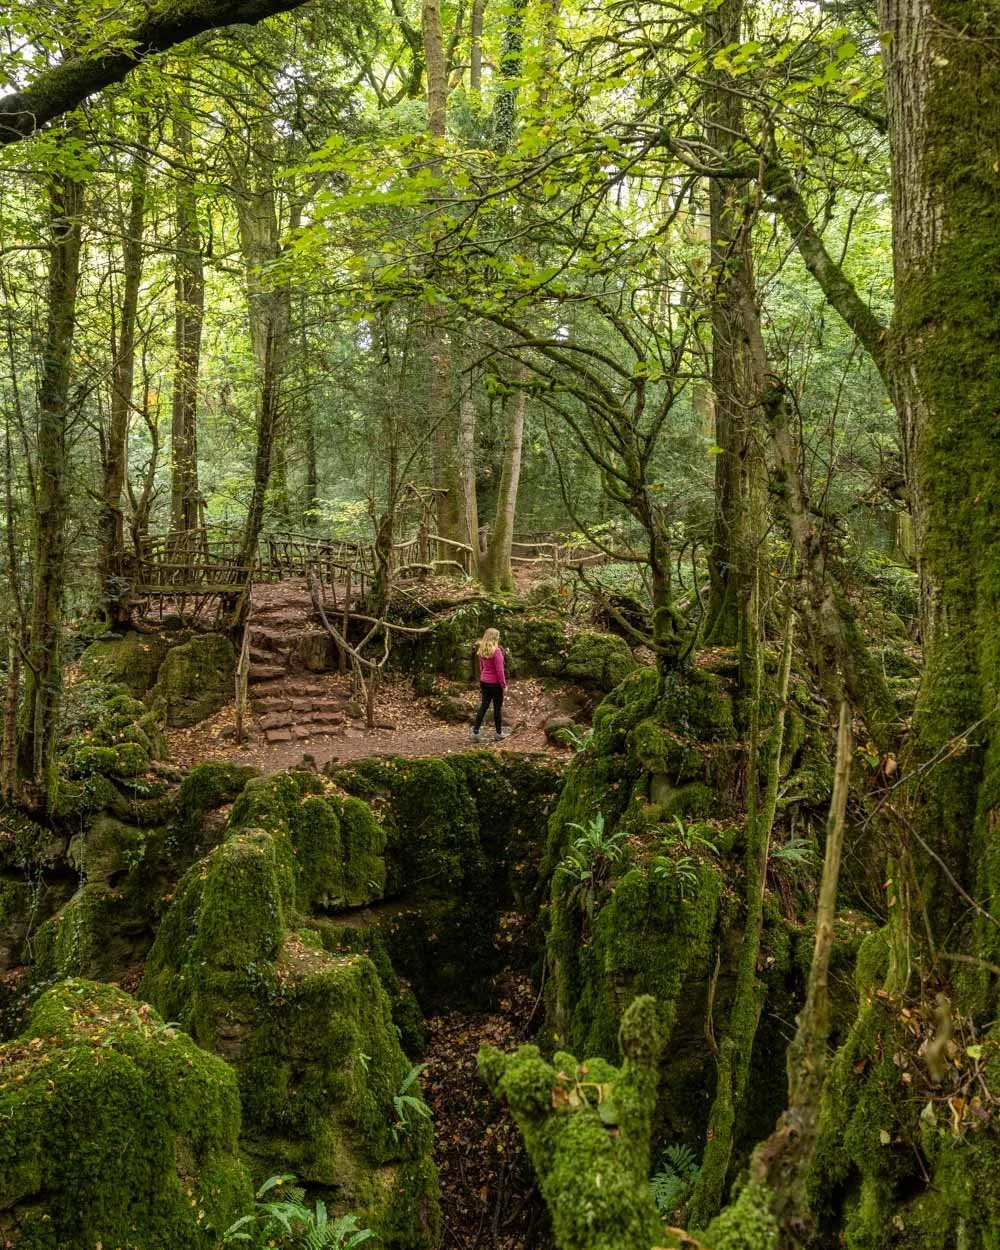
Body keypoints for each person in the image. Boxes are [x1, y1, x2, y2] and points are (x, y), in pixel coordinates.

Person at [471, 627, 508, 742]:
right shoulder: (496, 651)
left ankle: (475, 732)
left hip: (484, 682)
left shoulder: (482, 650)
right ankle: (499, 733)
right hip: (495, 684)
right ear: (495, 638)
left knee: (484, 706)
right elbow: (500, 671)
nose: (499, 638)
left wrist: (484, 677)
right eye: (498, 636)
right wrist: (503, 685)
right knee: (497, 708)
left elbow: (482, 667)